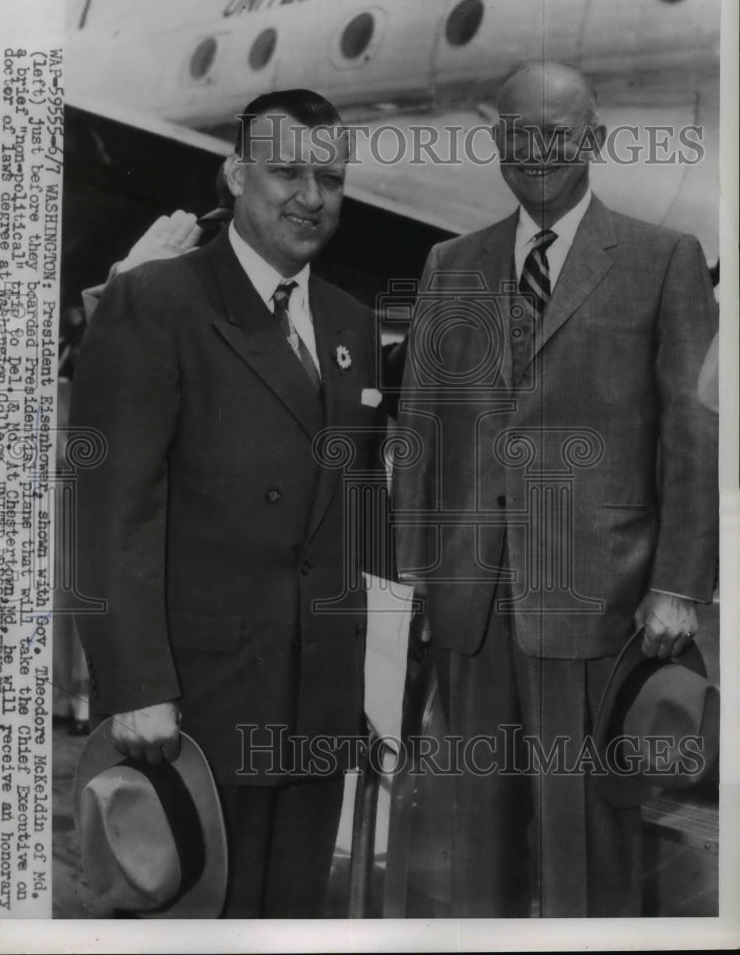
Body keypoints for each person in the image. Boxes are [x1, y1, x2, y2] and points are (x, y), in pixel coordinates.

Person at [393, 60, 718, 917]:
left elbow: (693, 435)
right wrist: (416, 572)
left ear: (595, 141)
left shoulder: (663, 260)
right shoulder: (449, 264)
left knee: (589, 846)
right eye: (517, 134)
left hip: (603, 605)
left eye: (556, 134)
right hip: (472, 607)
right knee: (475, 842)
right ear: (497, 142)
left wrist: (678, 585)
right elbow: (421, 424)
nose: (536, 151)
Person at [70, 89, 392, 918]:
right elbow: (112, 513)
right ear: (236, 173)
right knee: (194, 921)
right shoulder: (160, 301)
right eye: (285, 170)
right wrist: (136, 683)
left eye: (330, 176)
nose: (310, 196)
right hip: (196, 705)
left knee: (291, 921)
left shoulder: (353, 322)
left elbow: (355, 517)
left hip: (316, 706)